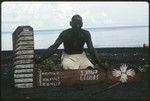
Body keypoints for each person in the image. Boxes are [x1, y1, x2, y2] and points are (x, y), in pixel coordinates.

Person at [35, 14, 107, 70]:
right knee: (67, 68)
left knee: (89, 68)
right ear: (71, 23)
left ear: (82, 24)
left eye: (79, 23)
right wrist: (40, 59)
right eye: (75, 23)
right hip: (68, 57)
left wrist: (100, 64)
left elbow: (91, 50)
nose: (77, 26)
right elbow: (54, 47)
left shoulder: (85, 34)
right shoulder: (65, 34)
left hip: (82, 56)